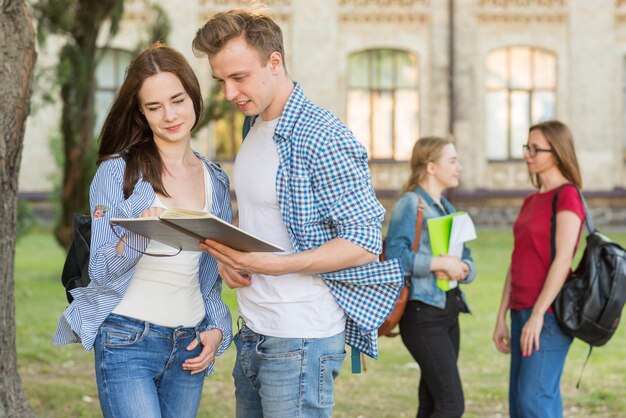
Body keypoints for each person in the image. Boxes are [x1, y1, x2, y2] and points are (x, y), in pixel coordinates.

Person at [192, 9, 403, 417]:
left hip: (302, 339)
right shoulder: (252, 126)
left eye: (239, 77)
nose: (229, 93)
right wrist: (230, 260)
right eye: (221, 81)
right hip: (253, 329)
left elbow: (364, 241)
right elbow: (262, 215)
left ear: (275, 62)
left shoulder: (323, 136)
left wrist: (276, 265)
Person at [54, 43, 232, 418]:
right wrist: (139, 232)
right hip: (127, 340)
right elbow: (100, 270)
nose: (170, 115)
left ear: (193, 97)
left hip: (190, 343)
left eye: (177, 100)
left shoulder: (214, 179)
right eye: (154, 107)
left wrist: (217, 330)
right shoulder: (117, 173)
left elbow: (209, 278)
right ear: (141, 112)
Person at [493, 120, 585, 418]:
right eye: (526, 147)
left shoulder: (567, 195)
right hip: (521, 312)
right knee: (522, 404)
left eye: (536, 148)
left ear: (557, 153)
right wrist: (500, 317)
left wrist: (536, 316)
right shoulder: (531, 200)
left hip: (547, 315)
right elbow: (516, 260)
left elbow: (563, 260)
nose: (527, 154)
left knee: (533, 401)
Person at [385, 136, 477, 418]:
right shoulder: (411, 204)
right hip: (423, 314)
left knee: (433, 403)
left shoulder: (448, 208)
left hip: (449, 310)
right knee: (451, 405)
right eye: (452, 160)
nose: (459, 167)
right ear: (431, 167)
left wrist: (464, 269)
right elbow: (394, 257)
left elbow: (468, 257)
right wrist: (438, 263)